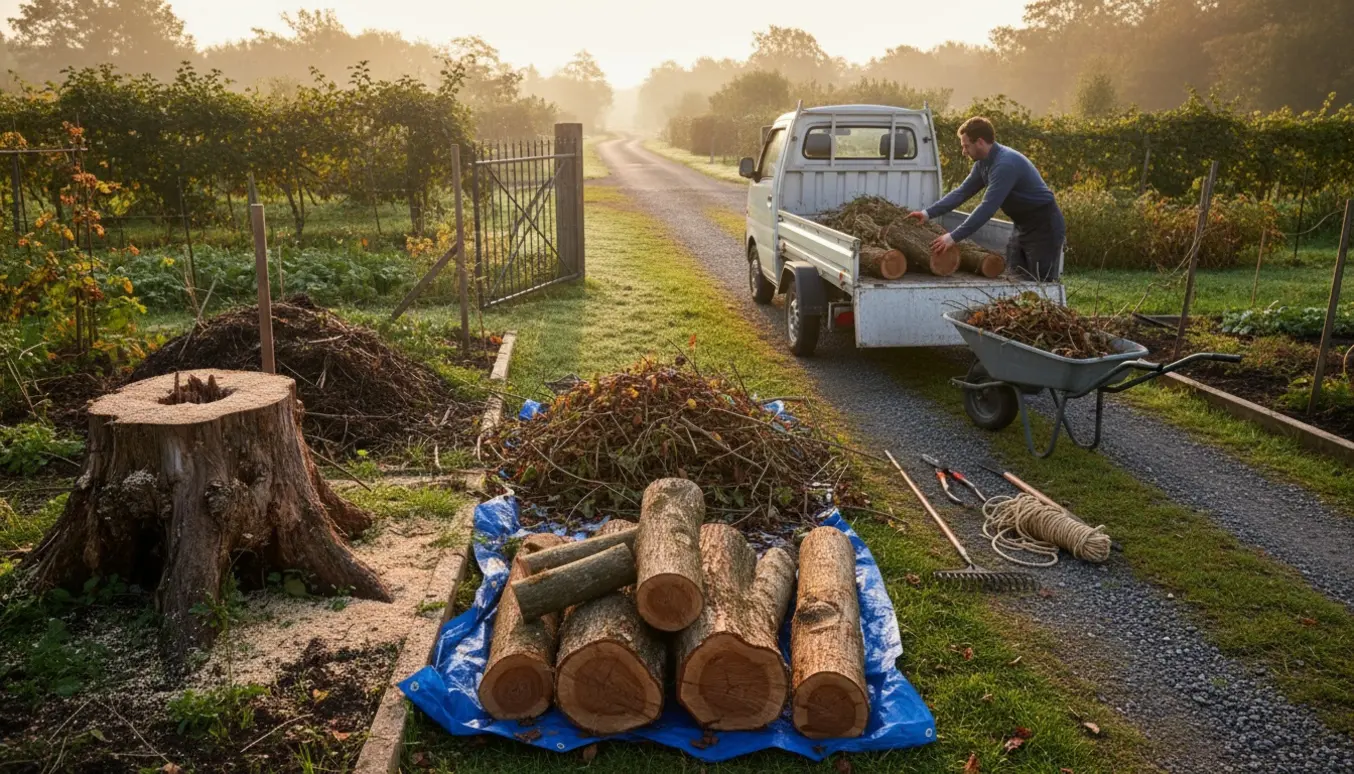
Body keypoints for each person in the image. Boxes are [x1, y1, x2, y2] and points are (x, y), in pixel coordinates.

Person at [907, 117, 1064, 281]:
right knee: (1016, 280)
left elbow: (987, 208)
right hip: (1023, 226)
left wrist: (952, 237)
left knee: (1043, 285)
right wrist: (926, 214)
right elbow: (961, 193)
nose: (964, 151)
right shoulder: (983, 164)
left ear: (980, 142)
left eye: (966, 146)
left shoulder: (1005, 164)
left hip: (1044, 227)